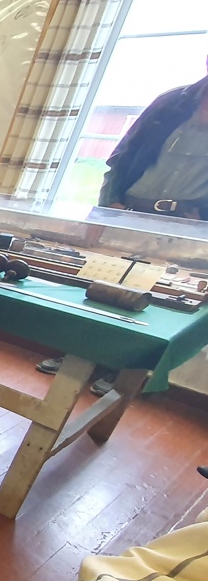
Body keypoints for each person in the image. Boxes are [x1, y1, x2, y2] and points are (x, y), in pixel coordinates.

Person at [37, 56, 208, 393]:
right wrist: (108, 206)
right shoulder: (171, 102)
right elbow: (120, 157)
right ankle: (79, 354)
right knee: (104, 285)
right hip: (129, 212)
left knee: (156, 299)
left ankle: (125, 368)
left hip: (187, 224)